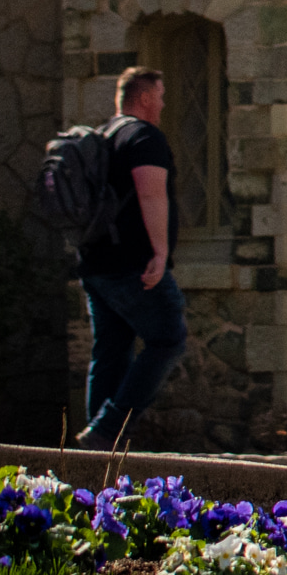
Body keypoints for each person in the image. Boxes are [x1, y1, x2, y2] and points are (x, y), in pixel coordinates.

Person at [73, 64, 185, 449]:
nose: (164, 103)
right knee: (168, 337)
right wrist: (160, 252)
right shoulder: (144, 137)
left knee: (110, 349)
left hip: (94, 263)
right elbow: (151, 193)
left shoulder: (101, 137)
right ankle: (107, 430)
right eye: (161, 95)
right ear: (144, 98)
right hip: (133, 265)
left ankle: (97, 452)